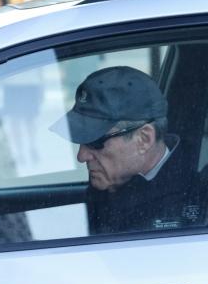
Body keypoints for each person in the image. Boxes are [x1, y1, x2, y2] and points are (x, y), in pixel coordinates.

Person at [51, 66, 200, 235]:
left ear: (144, 139)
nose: (81, 156)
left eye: (95, 141)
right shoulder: (109, 181)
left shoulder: (198, 199)